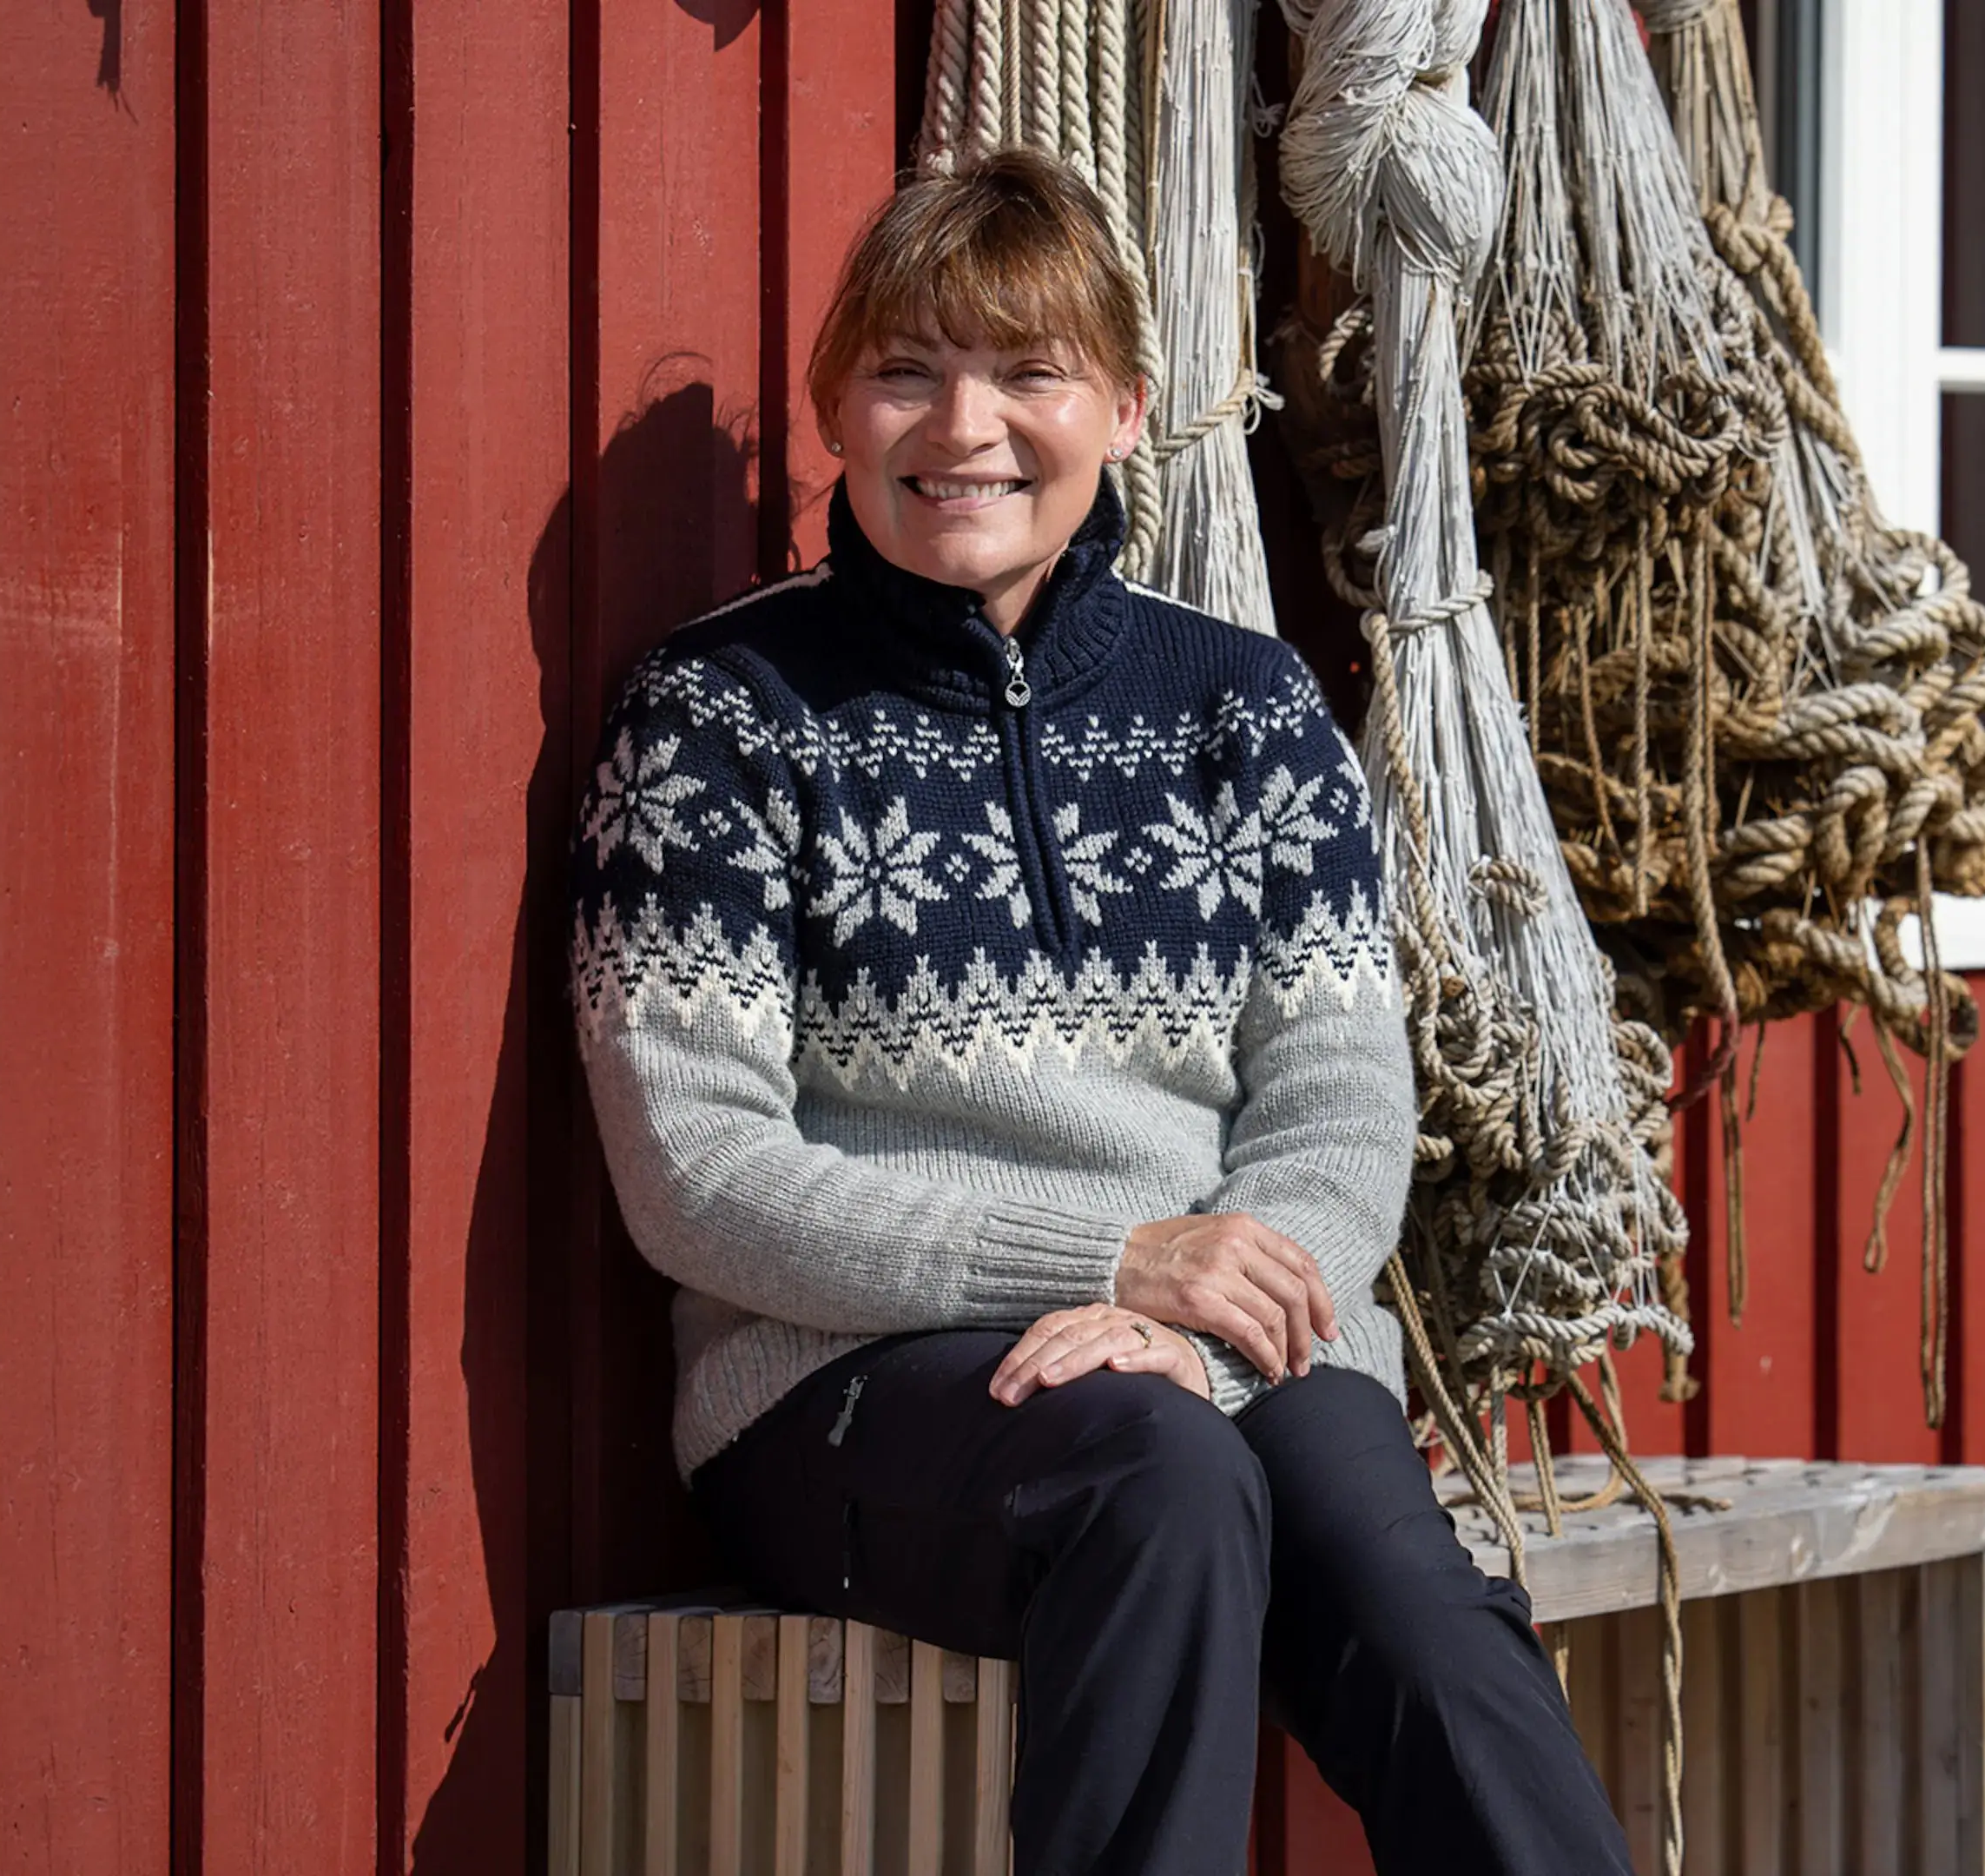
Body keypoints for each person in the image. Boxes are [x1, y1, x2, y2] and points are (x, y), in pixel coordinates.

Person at [566, 148, 1631, 1875]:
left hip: (1238, 1342)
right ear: (840, 404)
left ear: (1130, 411)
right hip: (844, 1388)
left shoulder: (1244, 707)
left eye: (1028, 372)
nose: (963, 424)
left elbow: (1343, 1110)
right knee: (1160, 1476)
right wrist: (1112, 1262)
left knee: (1414, 1605)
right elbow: (700, 1178)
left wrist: (1196, 1317)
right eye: (909, 368)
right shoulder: (721, 720)